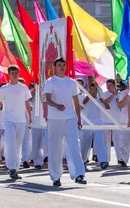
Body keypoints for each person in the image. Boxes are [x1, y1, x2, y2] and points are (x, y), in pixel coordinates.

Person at [44, 58, 86, 186]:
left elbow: (76, 102)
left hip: (70, 118)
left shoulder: (72, 82)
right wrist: (57, 106)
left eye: (64, 65)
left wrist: (79, 118)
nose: (62, 67)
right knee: (55, 148)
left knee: (74, 145)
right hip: (55, 119)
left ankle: (79, 174)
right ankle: (56, 176)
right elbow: (48, 100)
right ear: (54, 67)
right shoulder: (50, 82)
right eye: (59, 65)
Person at [0, 65, 32, 179]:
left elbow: (26, 103)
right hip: (8, 120)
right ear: (9, 74)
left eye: (16, 72)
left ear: (19, 73)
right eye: (12, 72)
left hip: (21, 120)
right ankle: (12, 168)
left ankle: (15, 169)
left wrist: (30, 118)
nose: (14, 74)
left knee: (17, 146)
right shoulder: (4, 89)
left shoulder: (23, 88)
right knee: (10, 143)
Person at [80, 83, 110, 170]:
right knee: (85, 144)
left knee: (100, 142)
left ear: (97, 90)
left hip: (98, 123)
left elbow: (108, 107)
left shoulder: (100, 99)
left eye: (95, 89)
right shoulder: (85, 97)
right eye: (91, 89)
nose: (93, 91)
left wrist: (103, 101)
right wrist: (89, 95)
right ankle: (83, 160)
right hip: (87, 123)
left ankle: (103, 161)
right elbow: (83, 103)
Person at [117, 77, 130, 167]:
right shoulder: (124, 93)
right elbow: (120, 105)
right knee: (124, 141)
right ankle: (123, 159)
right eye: (129, 82)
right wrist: (128, 95)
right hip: (124, 120)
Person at [102, 79, 121, 163]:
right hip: (106, 119)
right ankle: (106, 159)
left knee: (117, 140)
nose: (108, 86)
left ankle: (120, 159)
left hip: (116, 119)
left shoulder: (119, 95)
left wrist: (118, 99)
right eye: (107, 85)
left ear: (114, 86)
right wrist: (113, 94)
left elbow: (121, 106)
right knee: (106, 141)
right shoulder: (103, 94)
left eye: (110, 85)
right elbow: (107, 102)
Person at [19, 78, 32, 169]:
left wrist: (30, 119)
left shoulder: (28, 95)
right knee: (17, 141)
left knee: (26, 141)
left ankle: (25, 160)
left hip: (25, 120)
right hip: (16, 120)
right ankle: (15, 160)